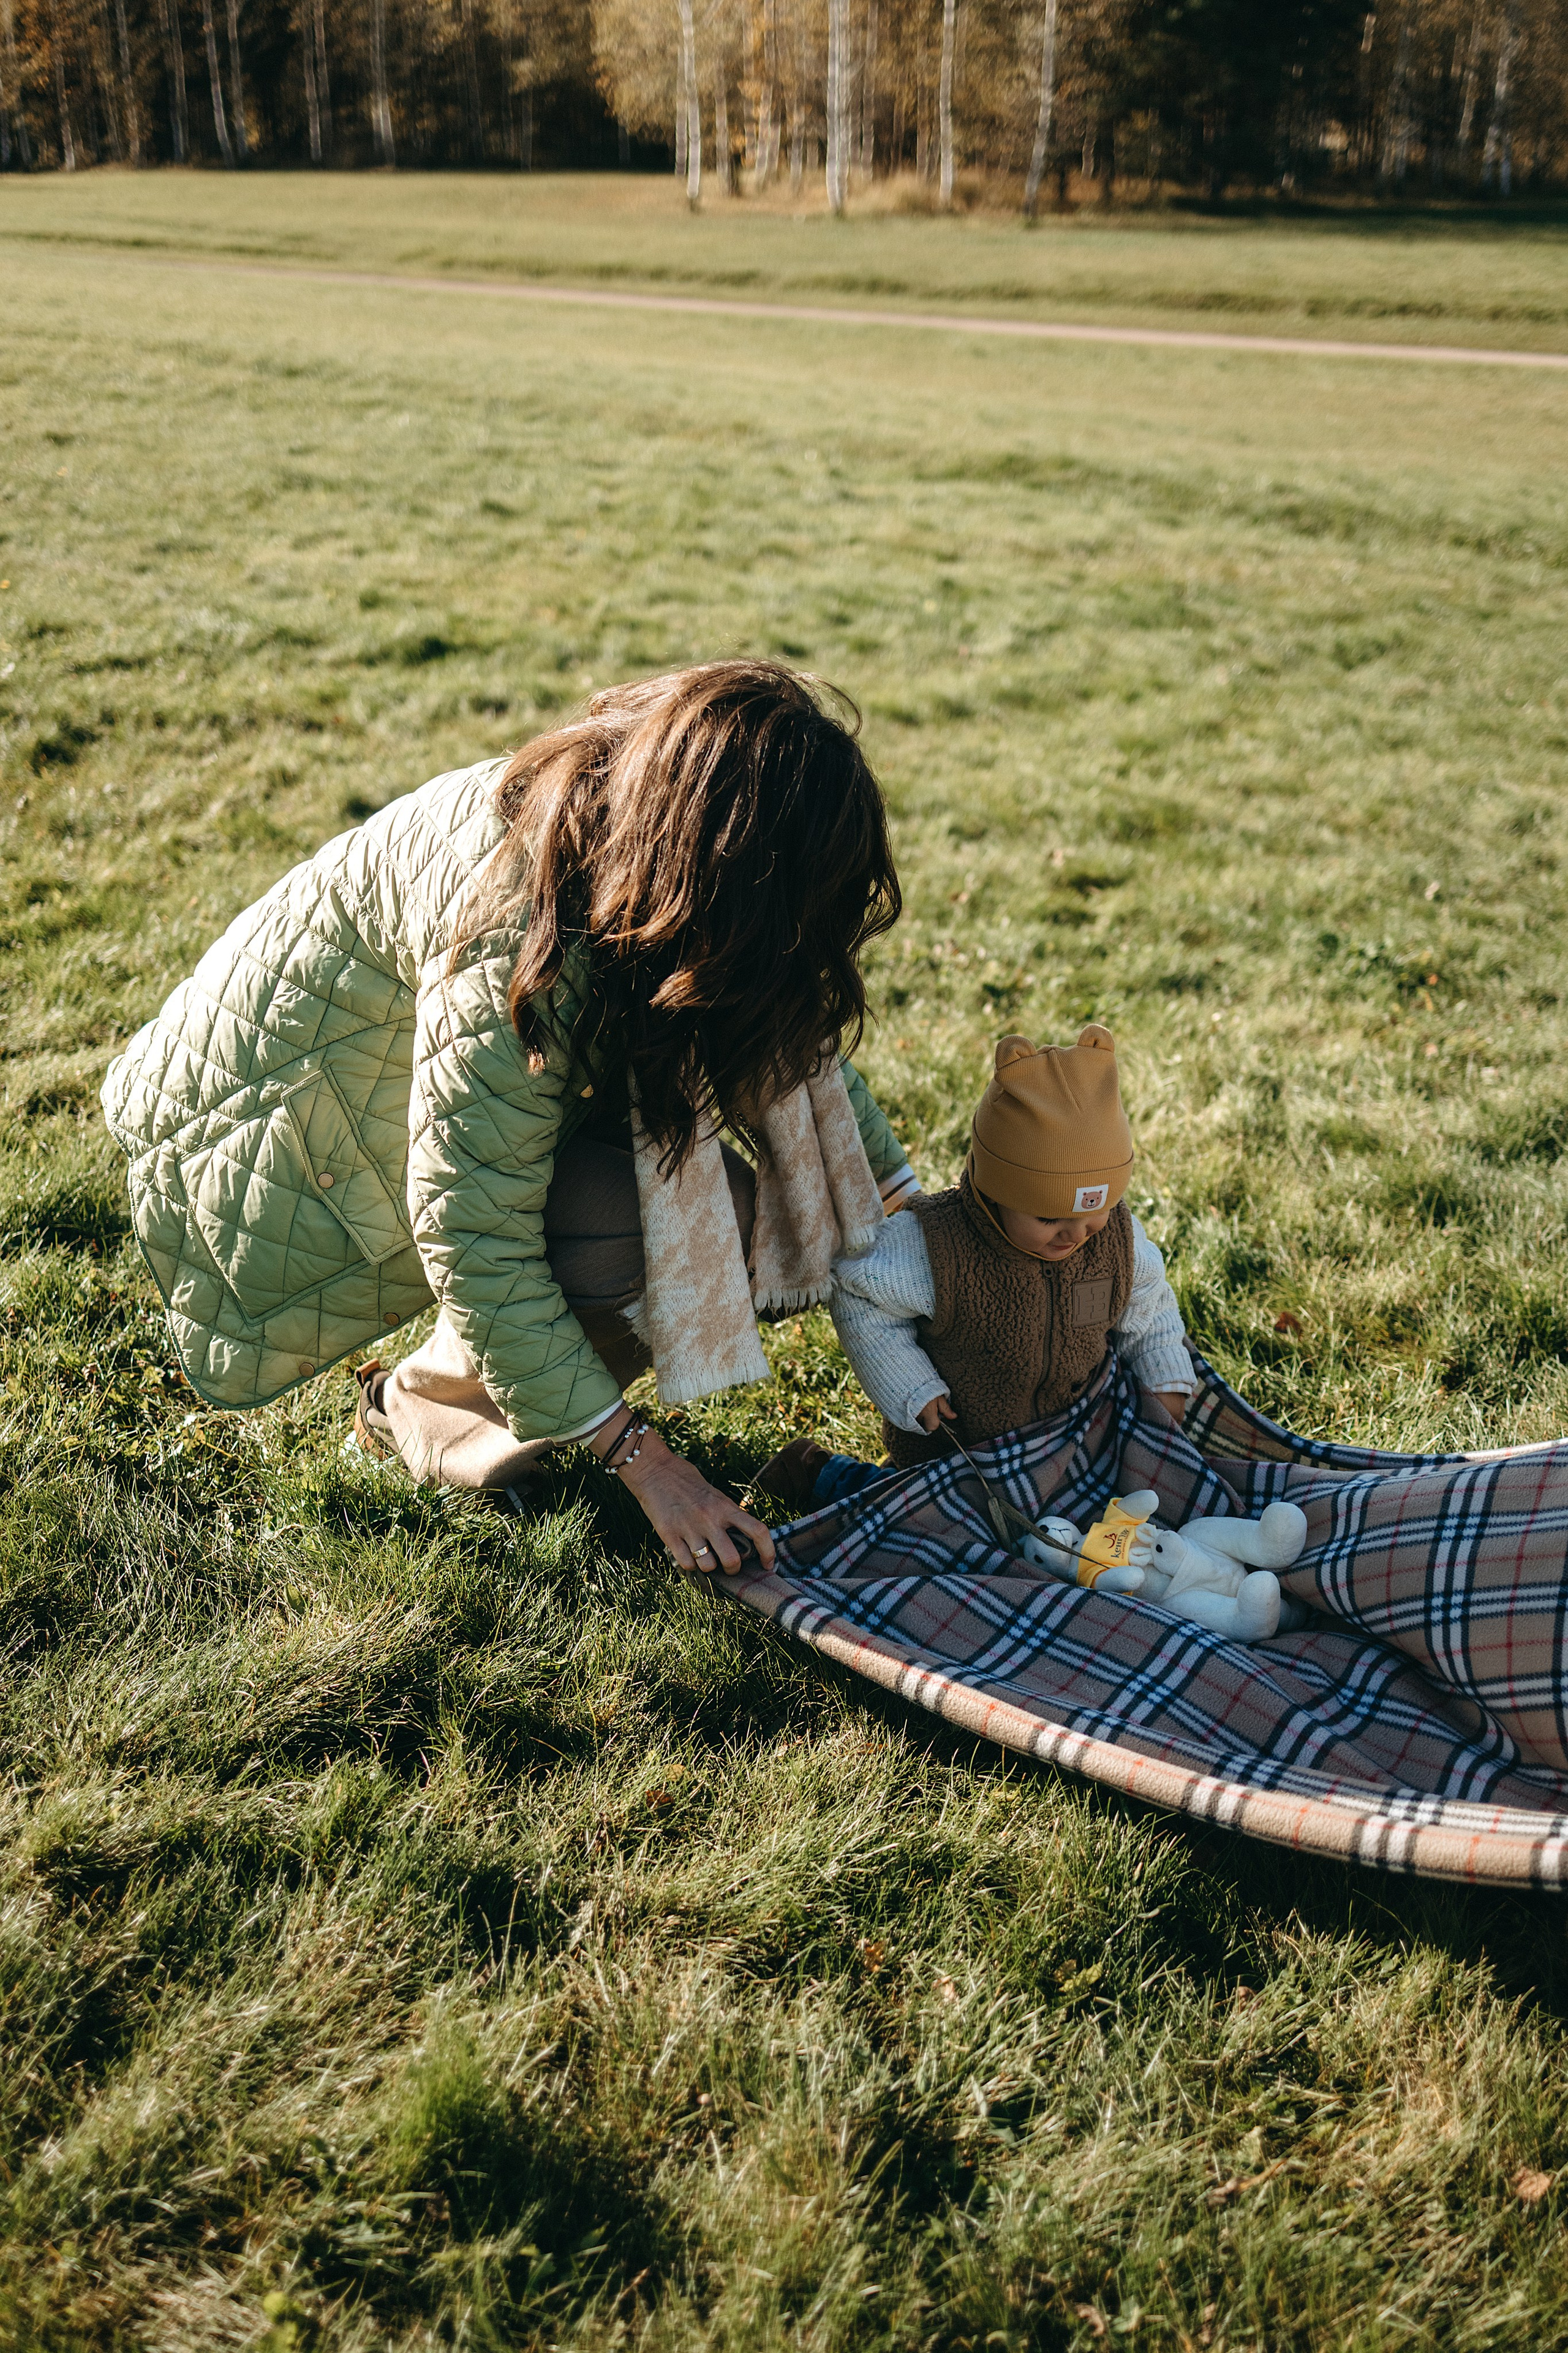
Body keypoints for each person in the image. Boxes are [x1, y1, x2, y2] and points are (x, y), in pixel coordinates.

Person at [101, 662, 919, 1577]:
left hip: (388, 1093)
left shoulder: (636, 852)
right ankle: (427, 1415)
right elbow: (471, 1226)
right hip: (266, 1136)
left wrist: (922, 1234)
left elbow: (794, 1051)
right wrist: (649, 1465)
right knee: (665, 1224)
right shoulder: (512, 929)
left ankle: (487, 1397)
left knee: (687, 1206)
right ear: (717, 876)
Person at [760, 1025, 1191, 1511]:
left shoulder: (1116, 1244)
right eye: (1049, 1218)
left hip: (1070, 1443)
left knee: (1106, 1520)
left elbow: (1150, 1305)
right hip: (956, 1455)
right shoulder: (936, 1249)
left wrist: (1165, 1379)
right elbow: (858, 1290)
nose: (1076, 1234)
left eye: (1097, 1212)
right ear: (997, 1192)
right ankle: (822, 1476)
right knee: (921, 1523)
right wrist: (911, 1386)